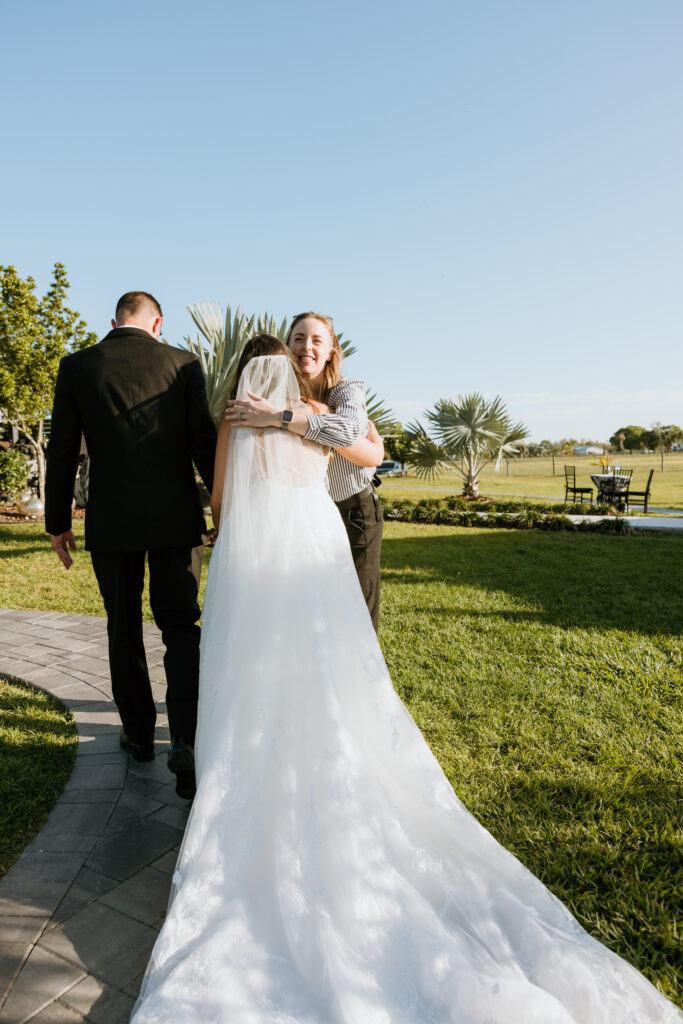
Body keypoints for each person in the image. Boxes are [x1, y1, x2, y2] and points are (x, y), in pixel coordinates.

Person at [131, 345, 681, 1024]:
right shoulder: (309, 410)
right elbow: (357, 454)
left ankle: (251, 775)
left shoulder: (236, 420)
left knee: (247, 669)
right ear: (291, 367)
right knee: (329, 666)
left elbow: (220, 498)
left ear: (244, 374)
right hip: (313, 551)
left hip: (253, 555)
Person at [45, 292, 217, 799]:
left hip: (112, 519)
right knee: (181, 627)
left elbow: (62, 451)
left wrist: (58, 521)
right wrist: (222, 510)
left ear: (114, 321)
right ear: (157, 323)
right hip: (174, 518)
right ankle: (184, 738)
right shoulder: (183, 364)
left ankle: (139, 735)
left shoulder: (77, 365)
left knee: (123, 625)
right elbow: (202, 442)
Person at [226, 312, 384, 631]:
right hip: (304, 513)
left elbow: (349, 431)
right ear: (286, 348)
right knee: (317, 606)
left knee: (358, 610)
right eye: (298, 338)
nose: (306, 346)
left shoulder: (344, 390)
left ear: (330, 353)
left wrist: (279, 418)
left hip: (354, 509)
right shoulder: (279, 395)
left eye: (316, 340)